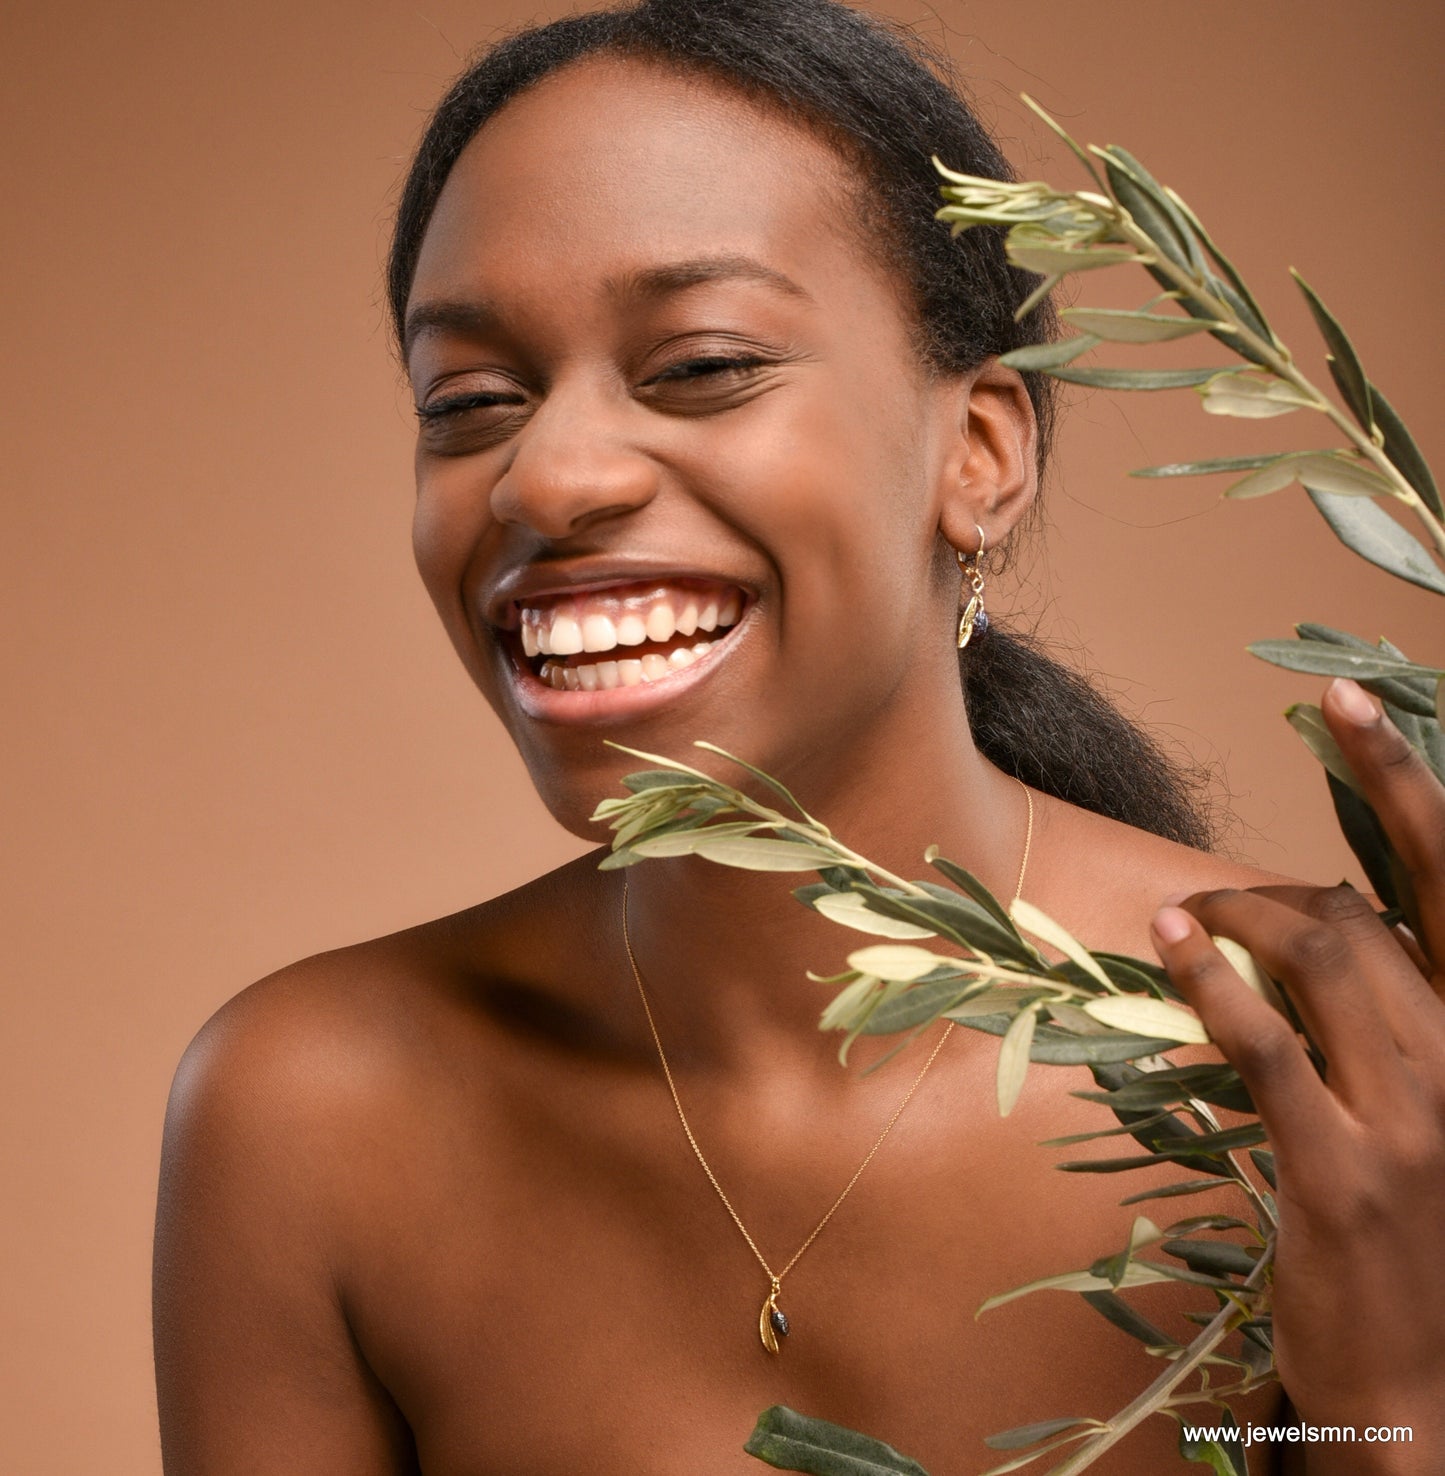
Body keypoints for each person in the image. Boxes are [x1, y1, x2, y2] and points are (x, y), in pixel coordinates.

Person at [151, 1, 1445, 1471]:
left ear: (979, 453)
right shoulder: (315, 1118)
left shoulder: (1322, 1089)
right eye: (470, 400)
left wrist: (1397, 1398)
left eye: (699, 365)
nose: (546, 476)